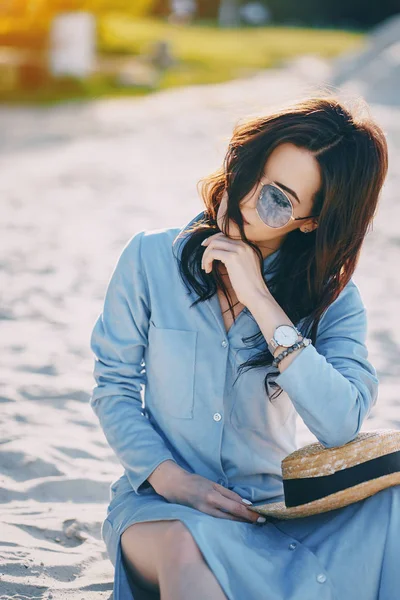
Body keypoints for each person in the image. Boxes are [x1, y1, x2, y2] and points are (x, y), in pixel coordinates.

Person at [89, 94, 399, 600]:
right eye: (248, 168)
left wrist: (260, 298)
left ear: (311, 221)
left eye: (277, 198)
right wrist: (173, 481)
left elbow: (341, 422)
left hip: (275, 513)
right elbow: (114, 388)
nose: (245, 197)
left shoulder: (334, 301)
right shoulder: (148, 259)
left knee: (393, 506)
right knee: (188, 545)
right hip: (163, 509)